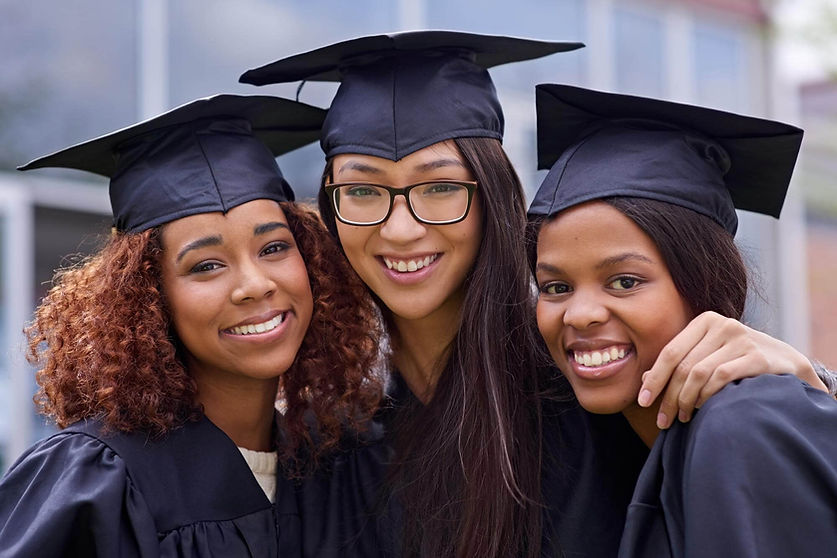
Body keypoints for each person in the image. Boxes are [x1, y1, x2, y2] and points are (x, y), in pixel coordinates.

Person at [240, 31, 835, 557]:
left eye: (440, 186)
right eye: (363, 191)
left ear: (493, 198)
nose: (400, 228)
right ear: (328, 210)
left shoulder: (601, 394)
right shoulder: (334, 452)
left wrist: (810, 390)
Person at [0, 94, 382, 557]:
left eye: (274, 248)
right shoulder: (98, 482)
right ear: (149, 298)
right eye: (206, 266)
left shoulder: (339, 468)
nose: (254, 285)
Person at [528, 83, 837, 557]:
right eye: (555, 287)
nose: (581, 313)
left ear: (705, 285)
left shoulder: (740, 426)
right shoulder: (591, 451)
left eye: (625, 281)